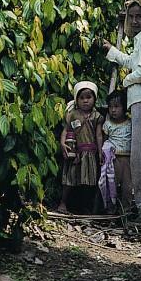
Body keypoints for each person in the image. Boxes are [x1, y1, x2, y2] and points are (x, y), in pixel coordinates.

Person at [103, 0, 141, 225]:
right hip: (138, 102)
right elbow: (132, 62)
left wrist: (126, 81)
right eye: (132, 16)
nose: (135, 20)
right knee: (140, 157)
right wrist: (112, 51)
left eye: (139, 16)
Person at [57, 81, 103, 214]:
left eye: (88, 97)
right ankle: (63, 203)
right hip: (74, 151)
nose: (85, 101)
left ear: (94, 99)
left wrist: (100, 153)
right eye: (81, 98)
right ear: (76, 100)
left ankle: (85, 206)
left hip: (90, 153)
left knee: (89, 181)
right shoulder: (72, 114)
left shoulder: (97, 116)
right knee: (70, 179)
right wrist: (62, 143)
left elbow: (99, 135)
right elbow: (65, 130)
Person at [99, 89, 133, 213]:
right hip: (113, 159)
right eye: (110, 107)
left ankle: (126, 210)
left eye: (117, 107)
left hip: (128, 159)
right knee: (111, 184)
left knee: (127, 187)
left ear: (124, 107)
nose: (113, 110)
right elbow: (105, 141)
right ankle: (110, 210)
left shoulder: (130, 123)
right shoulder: (108, 125)